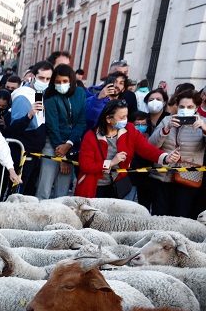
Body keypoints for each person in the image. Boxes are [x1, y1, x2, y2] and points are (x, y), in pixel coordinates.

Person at [76, 99, 175, 199]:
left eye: (126, 116)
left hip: (116, 184)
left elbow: (146, 148)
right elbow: (85, 165)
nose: (125, 120)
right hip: (93, 185)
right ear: (108, 119)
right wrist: (111, 162)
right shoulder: (91, 136)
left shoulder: (129, 129)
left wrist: (165, 157)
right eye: (121, 117)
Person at [148, 89, 205, 217]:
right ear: (177, 106)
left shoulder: (203, 123)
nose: (185, 110)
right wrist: (166, 129)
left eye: (189, 107)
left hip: (187, 178)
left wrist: (204, 129)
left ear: (196, 107)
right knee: (159, 216)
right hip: (162, 177)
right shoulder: (167, 120)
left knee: (180, 217)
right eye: (182, 107)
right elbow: (151, 146)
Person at [39, 63, 87, 200]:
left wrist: (69, 144)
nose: (61, 84)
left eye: (65, 81)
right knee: (44, 188)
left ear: (71, 80)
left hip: (70, 144)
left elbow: (81, 122)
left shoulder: (80, 93)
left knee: (63, 192)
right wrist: (62, 157)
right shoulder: (49, 95)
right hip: (52, 143)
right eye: (58, 82)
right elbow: (52, 126)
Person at [8, 60, 51, 196]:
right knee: (17, 194)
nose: (45, 81)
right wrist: (29, 115)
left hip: (34, 153)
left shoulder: (38, 92)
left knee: (28, 192)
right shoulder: (22, 95)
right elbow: (15, 128)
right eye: (41, 78)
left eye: (48, 79)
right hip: (23, 153)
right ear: (32, 76)